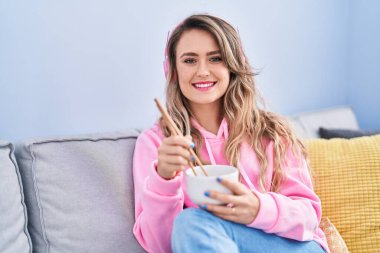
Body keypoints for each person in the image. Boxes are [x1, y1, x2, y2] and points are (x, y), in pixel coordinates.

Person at [133, 14, 329, 253]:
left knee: (191, 222)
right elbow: (160, 245)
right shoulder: (156, 144)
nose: (203, 71)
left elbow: (308, 217)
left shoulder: (272, 132)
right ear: (173, 70)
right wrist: (163, 178)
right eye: (189, 60)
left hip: (293, 247)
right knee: (189, 224)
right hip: (209, 241)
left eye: (215, 58)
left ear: (233, 65)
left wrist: (257, 209)